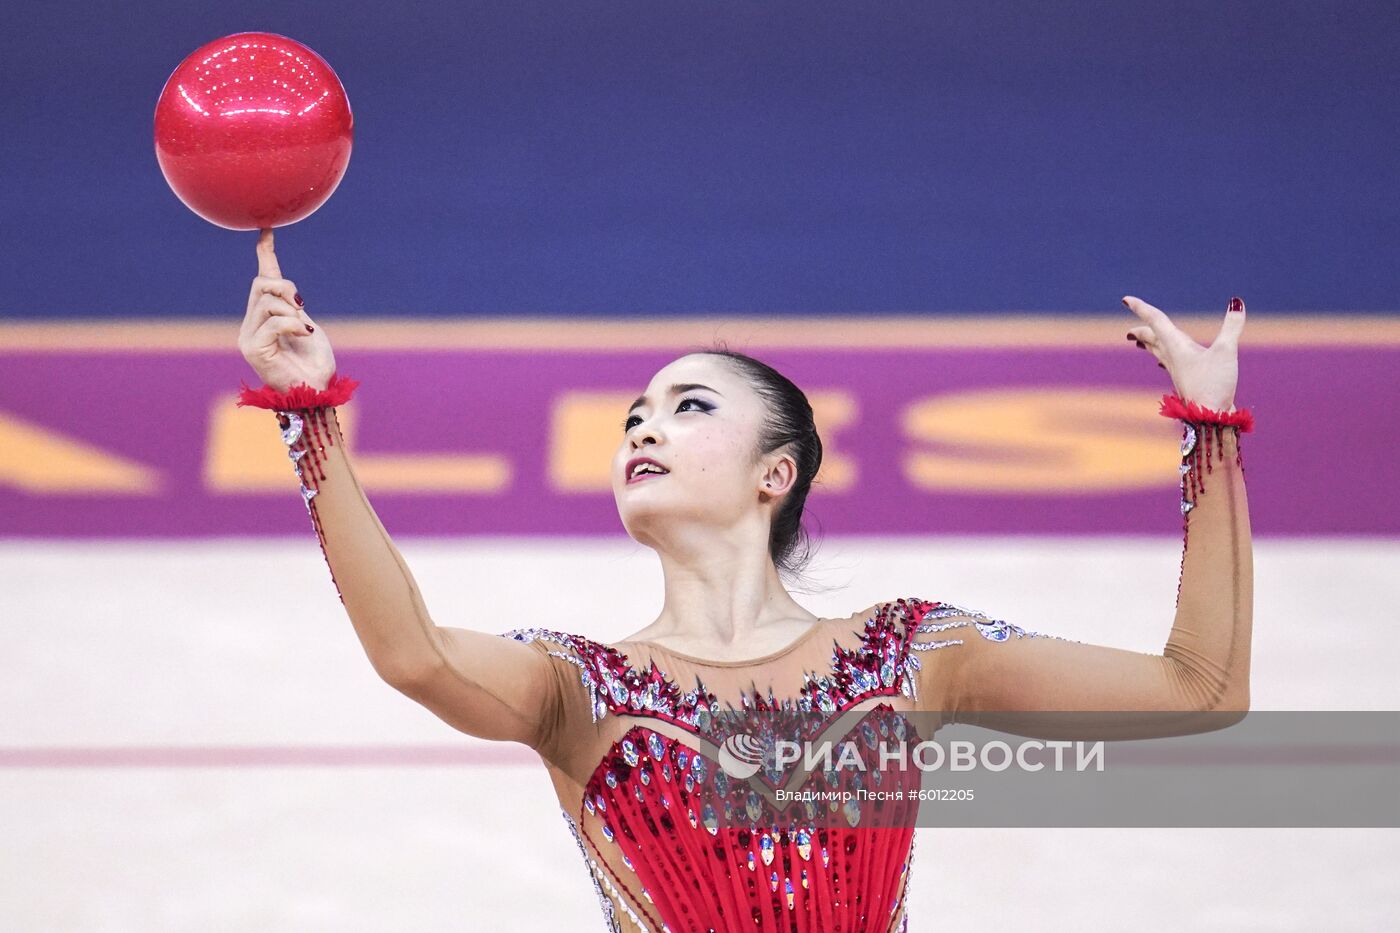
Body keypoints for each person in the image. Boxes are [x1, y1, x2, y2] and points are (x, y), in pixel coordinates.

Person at [236, 228, 1254, 931]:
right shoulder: (578, 689)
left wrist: (1208, 430)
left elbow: (1198, 689)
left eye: (687, 408)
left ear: (778, 473)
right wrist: (308, 417)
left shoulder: (906, 654)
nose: (642, 425)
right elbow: (412, 653)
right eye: (635, 411)